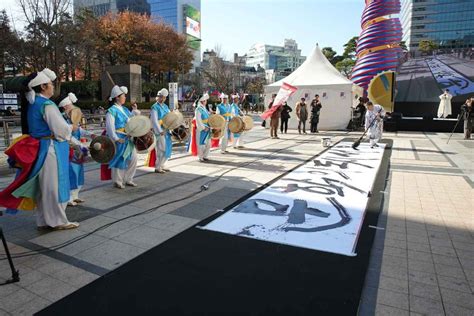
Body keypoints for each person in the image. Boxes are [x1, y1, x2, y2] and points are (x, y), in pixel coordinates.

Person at [0, 68, 84, 230]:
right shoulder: (47, 104)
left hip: (41, 149)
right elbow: (60, 130)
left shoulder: (33, 104)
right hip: (51, 149)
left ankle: (44, 220)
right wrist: (72, 127)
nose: (53, 87)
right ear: (44, 86)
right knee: (54, 186)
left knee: (44, 187)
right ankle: (58, 220)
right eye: (51, 84)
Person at [105, 85, 138, 189]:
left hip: (128, 137)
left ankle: (128, 179)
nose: (125, 98)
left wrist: (134, 111)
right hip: (119, 137)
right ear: (117, 97)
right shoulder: (111, 110)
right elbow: (110, 127)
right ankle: (117, 181)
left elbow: (130, 119)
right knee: (120, 159)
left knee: (133, 158)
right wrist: (115, 138)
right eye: (123, 96)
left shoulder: (124, 109)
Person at [58, 92, 88, 206]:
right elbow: (66, 135)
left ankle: (75, 195)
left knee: (79, 172)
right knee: (71, 172)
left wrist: (91, 134)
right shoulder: (61, 118)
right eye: (71, 106)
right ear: (65, 106)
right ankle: (69, 197)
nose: (75, 109)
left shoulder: (72, 117)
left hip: (78, 148)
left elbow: (79, 130)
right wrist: (79, 144)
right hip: (68, 149)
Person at [151, 88, 172, 173]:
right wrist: (160, 131)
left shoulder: (166, 106)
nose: (162, 99)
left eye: (164, 97)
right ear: (158, 97)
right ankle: (158, 166)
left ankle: (162, 164)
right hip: (160, 131)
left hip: (166, 130)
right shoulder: (154, 107)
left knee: (167, 148)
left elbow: (169, 117)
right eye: (160, 97)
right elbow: (155, 121)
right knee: (161, 148)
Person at [194, 93, 211, 162]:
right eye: (205, 100)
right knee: (201, 144)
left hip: (208, 128)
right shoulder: (198, 109)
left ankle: (205, 156)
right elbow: (198, 120)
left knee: (208, 144)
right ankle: (201, 157)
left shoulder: (204, 108)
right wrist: (203, 127)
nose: (206, 102)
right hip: (202, 129)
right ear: (202, 101)